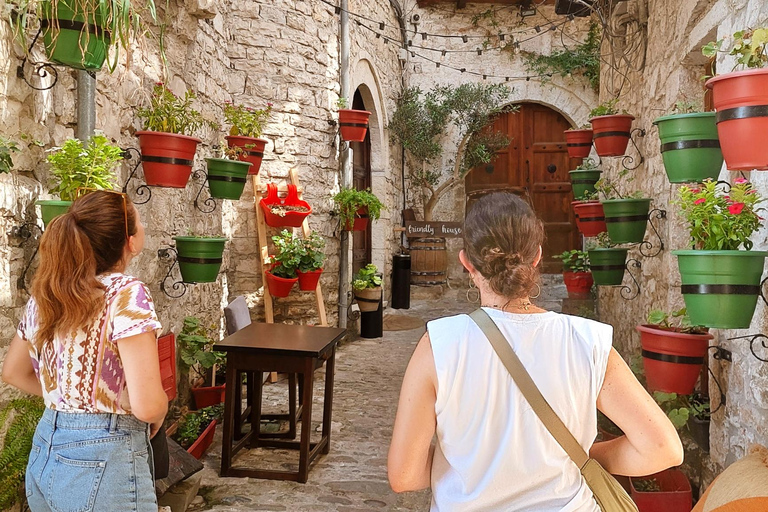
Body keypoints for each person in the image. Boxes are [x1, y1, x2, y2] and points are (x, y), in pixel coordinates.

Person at [388, 192, 683, 511]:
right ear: (537, 256)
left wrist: (467, 465)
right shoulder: (587, 341)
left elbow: (405, 476)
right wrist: (584, 458)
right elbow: (662, 448)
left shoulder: (440, 344)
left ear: (466, 263)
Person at [2, 190, 168, 512]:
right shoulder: (126, 294)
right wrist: (156, 408)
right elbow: (148, 406)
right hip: (104, 460)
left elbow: (13, 372)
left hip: (46, 448)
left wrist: (74, 400)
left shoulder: (47, 294)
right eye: (139, 221)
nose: (144, 226)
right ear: (130, 241)